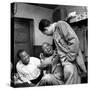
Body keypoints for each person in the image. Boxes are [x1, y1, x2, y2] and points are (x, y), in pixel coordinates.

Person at [39, 19, 87, 84]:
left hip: (71, 61)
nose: (47, 35)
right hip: (66, 62)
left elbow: (74, 41)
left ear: (46, 29)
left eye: (45, 33)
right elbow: (60, 49)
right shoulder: (55, 33)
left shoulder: (60, 24)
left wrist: (69, 58)